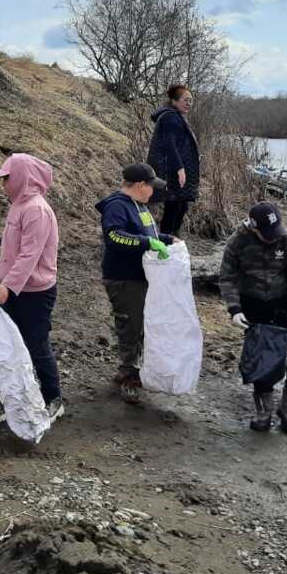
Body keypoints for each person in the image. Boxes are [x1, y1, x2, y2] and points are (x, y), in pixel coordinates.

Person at [0, 154, 64, 424]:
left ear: (21, 178)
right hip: (14, 290)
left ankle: (53, 398)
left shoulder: (36, 210)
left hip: (35, 293)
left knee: (36, 344)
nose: (3, 183)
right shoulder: (18, 205)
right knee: (9, 345)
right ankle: (12, 396)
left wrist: (8, 286)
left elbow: (29, 255)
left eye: (6, 178)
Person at [219, 202, 287, 435]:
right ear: (253, 227)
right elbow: (227, 276)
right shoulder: (238, 242)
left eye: (275, 233)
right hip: (253, 303)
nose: (272, 238)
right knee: (262, 356)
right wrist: (234, 309)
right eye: (266, 234)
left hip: (284, 304)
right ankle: (264, 410)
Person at [94, 163, 174, 405]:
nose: (153, 192)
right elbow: (114, 236)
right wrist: (147, 244)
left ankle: (129, 369)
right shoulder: (117, 206)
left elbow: (147, 235)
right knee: (130, 325)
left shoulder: (140, 206)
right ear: (140, 185)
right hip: (123, 278)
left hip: (140, 277)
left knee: (140, 324)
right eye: (151, 187)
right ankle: (130, 376)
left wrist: (167, 240)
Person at [147, 85, 200, 236]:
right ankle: (167, 239)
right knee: (174, 206)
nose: (189, 103)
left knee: (181, 206)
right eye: (185, 100)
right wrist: (180, 169)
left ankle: (172, 239)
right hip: (172, 171)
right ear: (174, 101)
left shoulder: (175, 116)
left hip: (175, 170)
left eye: (191, 101)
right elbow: (169, 144)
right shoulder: (171, 117)